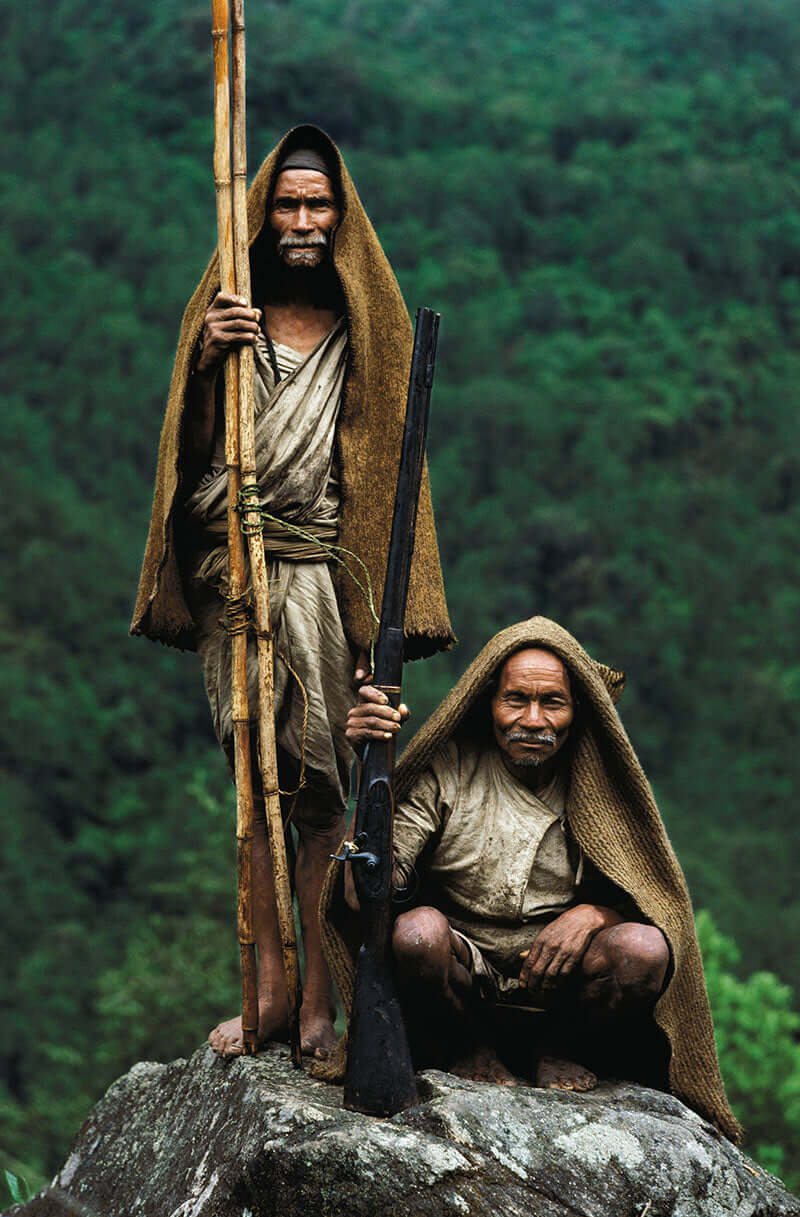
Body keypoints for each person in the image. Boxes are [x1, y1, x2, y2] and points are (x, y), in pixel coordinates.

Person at [131, 125, 454, 1060]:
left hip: (320, 581)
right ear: (264, 215)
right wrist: (205, 356)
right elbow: (185, 461)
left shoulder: (366, 330)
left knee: (320, 794)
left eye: (319, 206)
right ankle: (266, 987)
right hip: (238, 576)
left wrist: (370, 632)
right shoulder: (227, 317)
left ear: (340, 219)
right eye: (288, 204)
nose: (304, 221)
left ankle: (321, 999)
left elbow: (382, 485)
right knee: (251, 782)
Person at [337, 615, 740, 1141]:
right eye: (515, 700)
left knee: (643, 950)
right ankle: (467, 1047)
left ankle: (558, 1048)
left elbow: (650, 899)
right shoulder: (450, 769)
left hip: (559, 983)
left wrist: (594, 914)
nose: (532, 719)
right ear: (488, 703)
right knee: (417, 935)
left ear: (576, 711)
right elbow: (363, 895)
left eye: (552, 701)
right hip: (462, 969)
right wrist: (369, 768)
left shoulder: (597, 779)